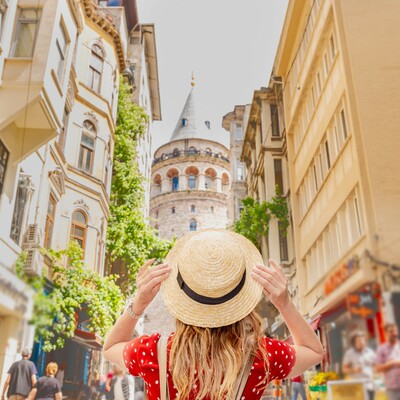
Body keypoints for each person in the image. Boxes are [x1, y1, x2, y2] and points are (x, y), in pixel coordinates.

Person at [103, 229, 324, 400]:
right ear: (240, 300)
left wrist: (138, 304)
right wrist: (283, 303)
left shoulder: (152, 353)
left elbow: (110, 347)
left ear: (182, 296)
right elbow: (314, 352)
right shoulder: (261, 357)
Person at [342, 331, 376, 400]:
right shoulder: (349, 354)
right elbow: (344, 369)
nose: (362, 342)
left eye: (363, 340)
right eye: (359, 340)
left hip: (370, 385)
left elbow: (376, 366)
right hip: (357, 386)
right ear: (354, 343)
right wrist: (354, 370)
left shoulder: (370, 352)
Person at [375, 323, 400, 400]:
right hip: (392, 388)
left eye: (395, 331)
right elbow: (377, 368)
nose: (394, 333)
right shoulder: (381, 349)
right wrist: (392, 363)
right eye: (391, 331)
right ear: (385, 333)